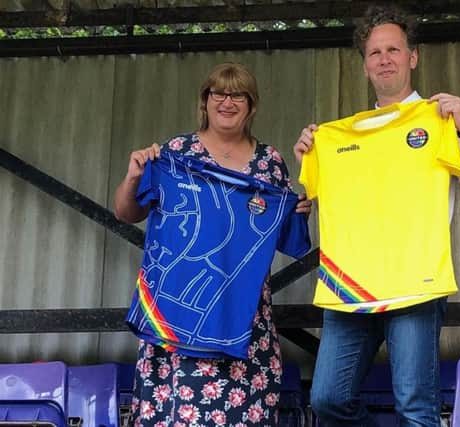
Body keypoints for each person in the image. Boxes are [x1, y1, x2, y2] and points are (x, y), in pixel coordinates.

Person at [293, 5, 460, 427]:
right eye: (375, 52)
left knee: (415, 409)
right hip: (348, 286)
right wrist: (311, 157)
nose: (385, 59)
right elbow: (306, 201)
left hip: (415, 284)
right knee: (327, 398)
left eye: (393, 49)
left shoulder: (440, 118)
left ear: (412, 57)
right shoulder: (333, 137)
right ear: (365, 65)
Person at [114, 62, 312, 426]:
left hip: (244, 318)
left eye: (238, 94)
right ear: (204, 101)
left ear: (251, 106)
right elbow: (127, 213)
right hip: (178, 316)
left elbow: (283, 238)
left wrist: (296, 210)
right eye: (218, 93)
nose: (227, 101)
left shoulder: (270, 163)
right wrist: (133, 177)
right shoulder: (176, 153)